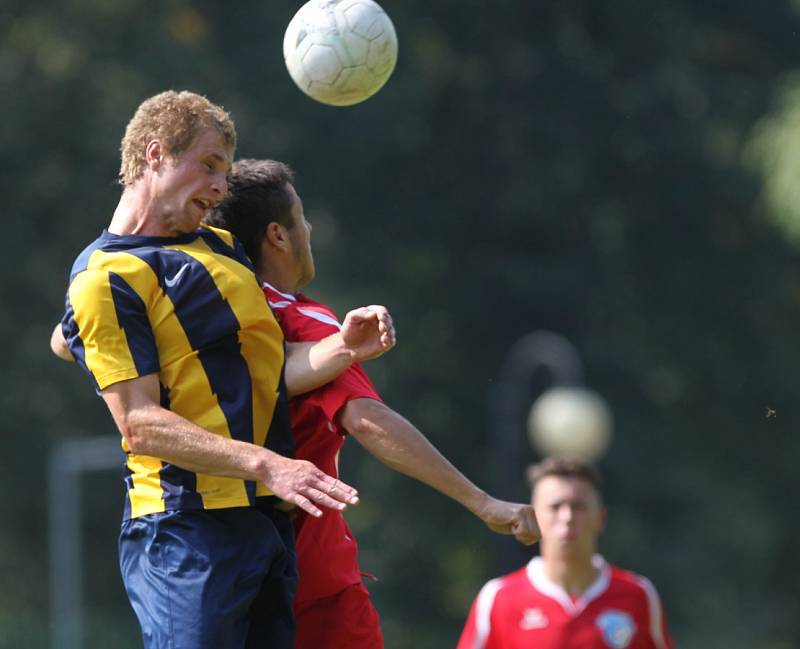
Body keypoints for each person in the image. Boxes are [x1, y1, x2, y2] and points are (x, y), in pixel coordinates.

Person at [54, 91, 395, 649]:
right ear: (156, 155)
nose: (220, 186)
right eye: (209, 165)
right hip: (186, 530)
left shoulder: (223, 246)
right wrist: (267, 464)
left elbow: (264, 373)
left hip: (265, 526)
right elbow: (139, 423)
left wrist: (344, 348)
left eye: (225, 171)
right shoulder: (105, 278)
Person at [201, 158, 541, 649]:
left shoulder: (199, 316)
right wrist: (482, 502)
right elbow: (367, 420)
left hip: (216, 572)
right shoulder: (307, 323)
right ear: (278, 235)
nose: (310, 227)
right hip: (310, 580)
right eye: (301, 216)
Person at [456, 458, 675, 649]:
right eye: (555, 506)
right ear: (534, 516)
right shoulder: (498, 599)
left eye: (578, 506)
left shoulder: (639, 595)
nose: (567, 517)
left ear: (600, 518)